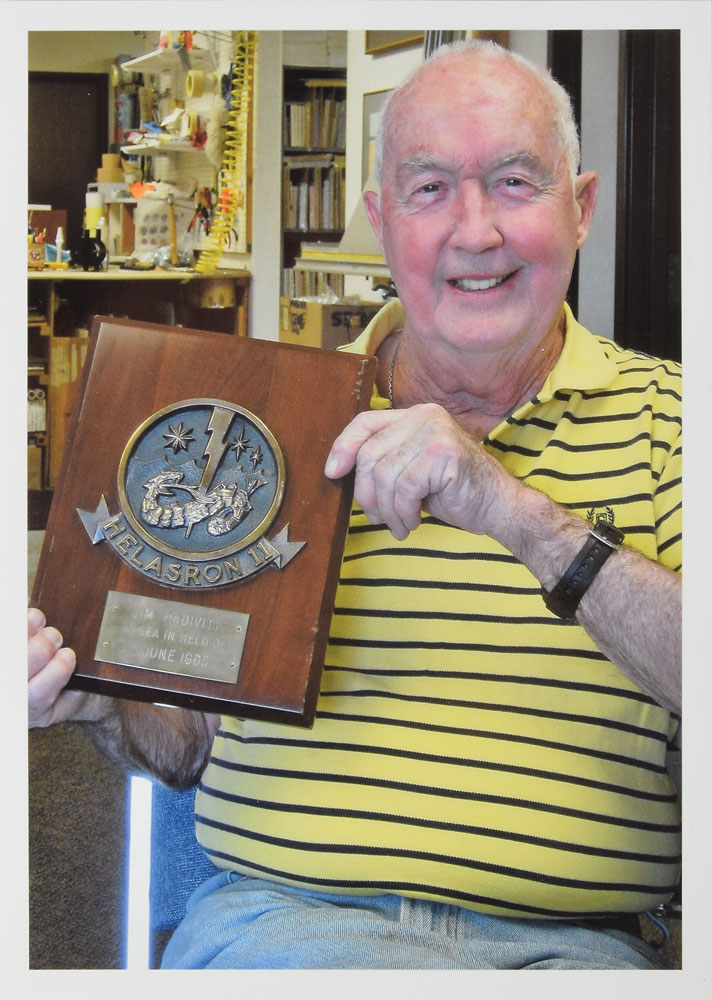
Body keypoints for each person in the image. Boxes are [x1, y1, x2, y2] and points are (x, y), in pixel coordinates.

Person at [28, 40, 681, 970]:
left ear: (581, 208)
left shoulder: (675, 422)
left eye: (514, 182)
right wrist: (100, 697)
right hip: (283, 929)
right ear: (380, 221)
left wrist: (510, 511)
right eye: (429, 190)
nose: (475, 231)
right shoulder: (268, 421)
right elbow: (186, 748)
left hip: (574, 951)